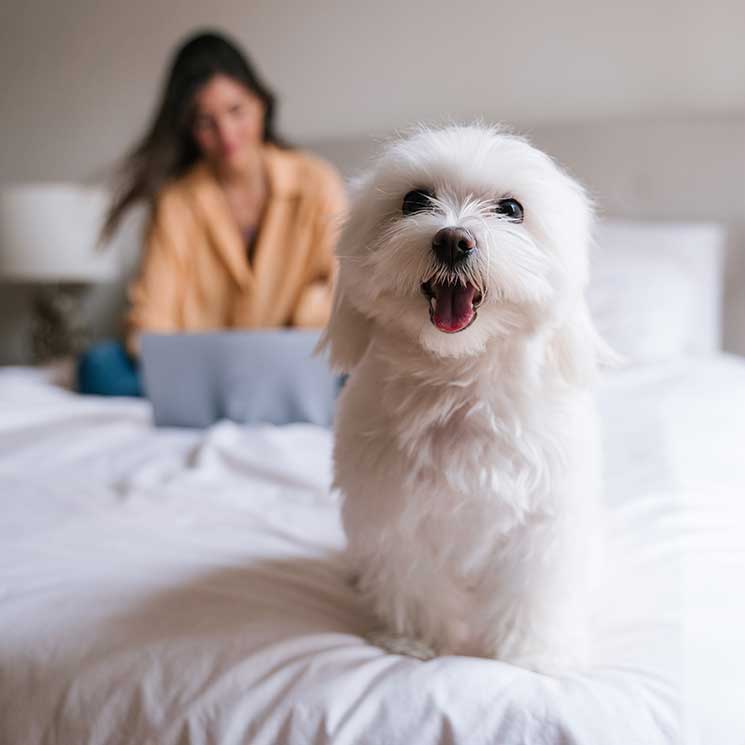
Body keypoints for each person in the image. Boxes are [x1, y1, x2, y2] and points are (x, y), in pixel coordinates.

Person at [78, 30, 347, 396]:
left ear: (261, 103)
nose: (226, 133)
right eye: (206, 122)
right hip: (205, 375)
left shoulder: (317, 182)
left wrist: (298, 325)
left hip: (295, 363)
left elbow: (346, 295)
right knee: (97, 367)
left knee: (370, 369)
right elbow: (151, 322)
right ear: (189, 130)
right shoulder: (176, 202)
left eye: (236, 111)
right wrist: (193, 363)